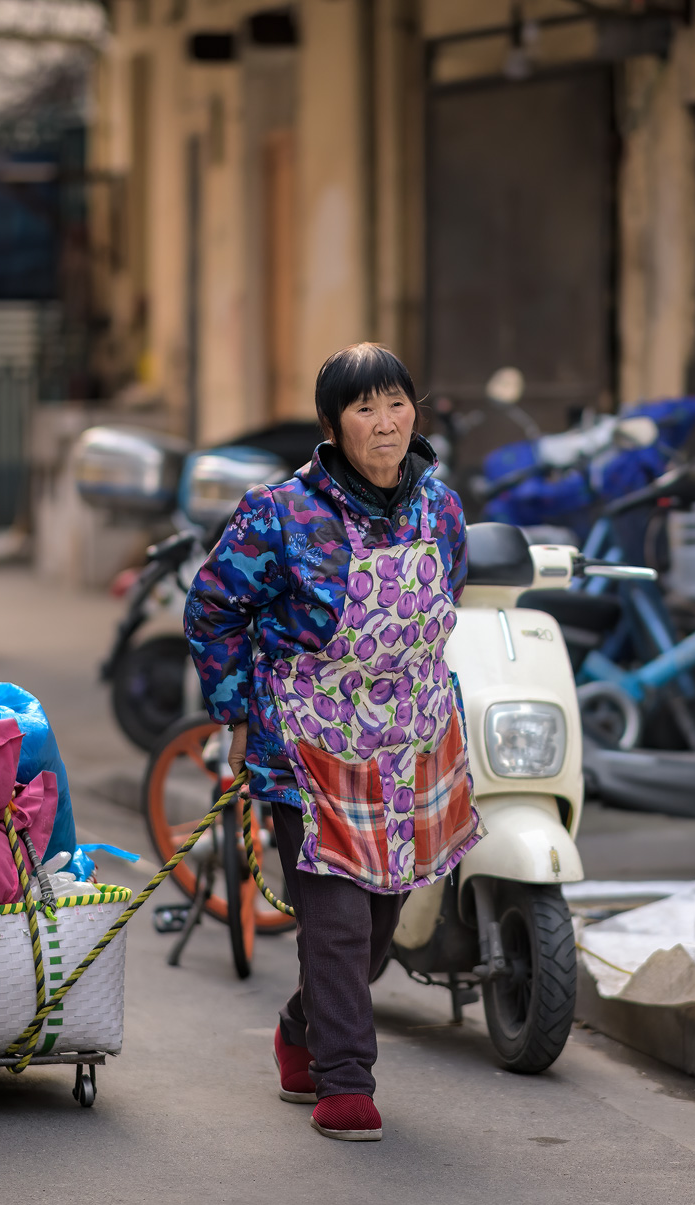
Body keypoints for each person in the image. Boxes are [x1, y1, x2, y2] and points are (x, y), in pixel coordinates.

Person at [184, 343, 481, 1142]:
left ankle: (299, 1025)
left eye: (396, 403)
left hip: (410, 742)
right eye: (364, 408)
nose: (385, 424)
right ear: (332, 426)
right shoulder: (279, 514)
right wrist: (239, 708)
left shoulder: (441, 510)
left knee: (382, 922)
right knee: (338, 922)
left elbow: (445, 594)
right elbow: (211, 607)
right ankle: (346, 1081)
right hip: (308, 746)